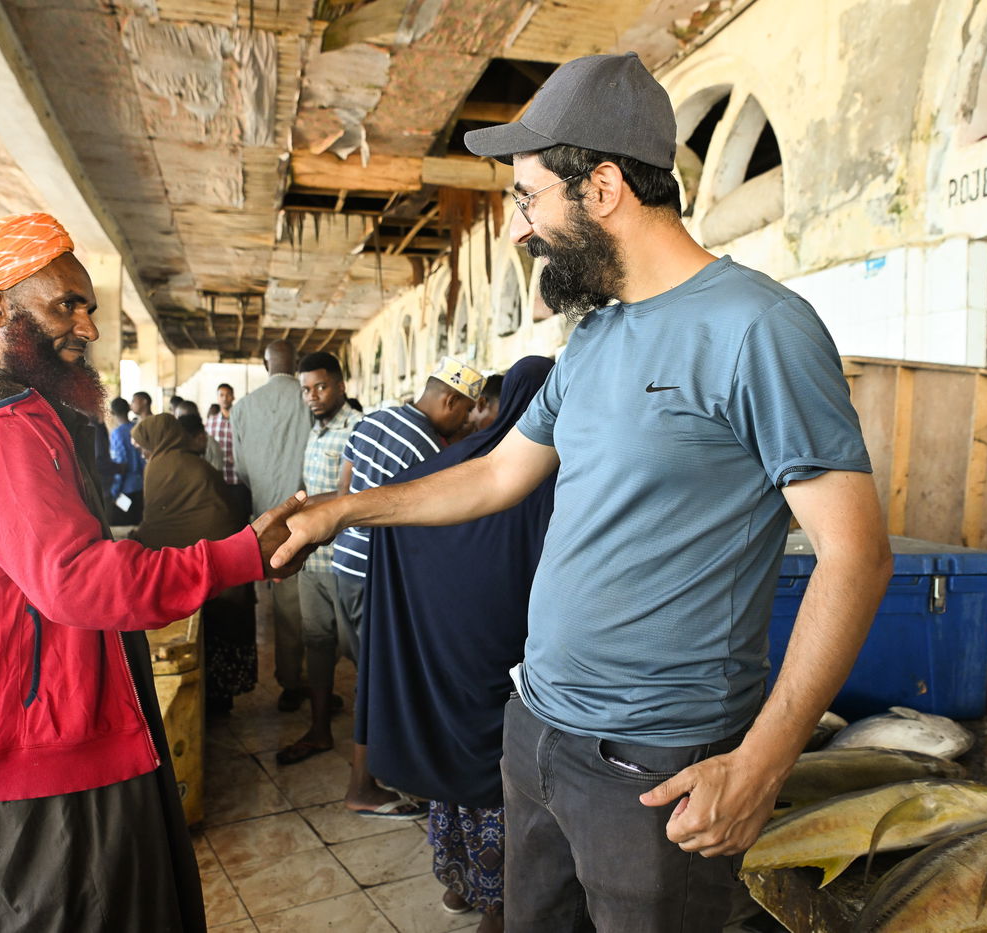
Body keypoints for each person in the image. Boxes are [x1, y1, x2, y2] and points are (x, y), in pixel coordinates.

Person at [270, 51, 892, 932]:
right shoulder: (596, 337)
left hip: (654, 760)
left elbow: (856, 554)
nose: (521, 229)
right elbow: (495, 473)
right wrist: (338, 510)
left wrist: (763, 761)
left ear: (601, 188)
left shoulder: (759, 329)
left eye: (528, 197)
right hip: (537, 726)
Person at [0, 212, 309, 932]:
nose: (86, 327)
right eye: (66, 304)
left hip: (22, 736)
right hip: (42, 757)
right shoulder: (0, 433)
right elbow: (76, 579)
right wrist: (240, 554)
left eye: (88, 306)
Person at [360, 357, 556, 931]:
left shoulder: (454, 466)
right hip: (519, 656)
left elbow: (400, 509)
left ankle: (460, 883)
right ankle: (502, 903)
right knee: (510, 774)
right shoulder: (558, 475)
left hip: (452, 649)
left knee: (460, 767)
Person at [331, 356, 484, 818]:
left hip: (344, 564)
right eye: (463, 413)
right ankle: (364, 786)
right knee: (377, 681)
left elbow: (344, 493)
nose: (463, 424)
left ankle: (382, 774)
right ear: (450, 399)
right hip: (378, 576)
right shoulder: (430, 448)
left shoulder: (372, 418)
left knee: (370, 674)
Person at [131, 414, 255, 714]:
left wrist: (136, 540)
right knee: (221, 630)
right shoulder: (200, 465)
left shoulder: (159, 467)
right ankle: (221, 698)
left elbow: (158, 527)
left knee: (200, 635)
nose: (143, 452)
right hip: (228, 565)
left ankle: (199, 704)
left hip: (198, 566)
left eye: (143, 446)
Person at [274, 351, 361, 767]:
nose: (312, 395)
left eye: (321, 386)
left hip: (346, 562)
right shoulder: (315, 429)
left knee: (359, 652)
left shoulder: (357, 429)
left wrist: (298, 511)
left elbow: (355, 498)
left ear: (341, 385)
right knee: (317, 645)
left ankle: (373, 744)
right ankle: (320, 729)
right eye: (306, 389)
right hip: (314, 563)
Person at [232, 339, 314, 711]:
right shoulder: (309, 398)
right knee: (308, 606)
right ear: (294, 363)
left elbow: (242, 470)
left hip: (264, 519)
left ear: (265, 364)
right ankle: (308, 679)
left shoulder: (243, 407)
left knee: (281, 604)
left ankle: (293, 681)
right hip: (310, 515)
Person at [206, 383, 246, 516]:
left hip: (238, 478)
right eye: (221, 395)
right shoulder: (211, 422)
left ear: (233, 397)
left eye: (228, 395)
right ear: (217, 398)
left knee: (240, 516)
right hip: (218, 478)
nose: (224, 398)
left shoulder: (242, 421)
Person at [108, 394, 145, 524]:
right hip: (141, 486)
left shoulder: (117, 434)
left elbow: (120, 464)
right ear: (128, 409)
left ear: (112, 413)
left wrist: (114, 491)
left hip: (125, 490)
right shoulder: (137, 427)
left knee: (124, 528)